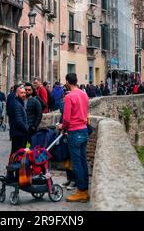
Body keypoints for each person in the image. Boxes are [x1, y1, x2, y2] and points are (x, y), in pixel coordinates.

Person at [58, 72, 89, 203]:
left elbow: (66, 118)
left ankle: (81, 192)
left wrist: (61, 126)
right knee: (83, 161)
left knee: (76, 163)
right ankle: (85, 189)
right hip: (84, 130)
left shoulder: (70, 97)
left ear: (67, 82)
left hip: (74, 132)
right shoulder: (84, 94)